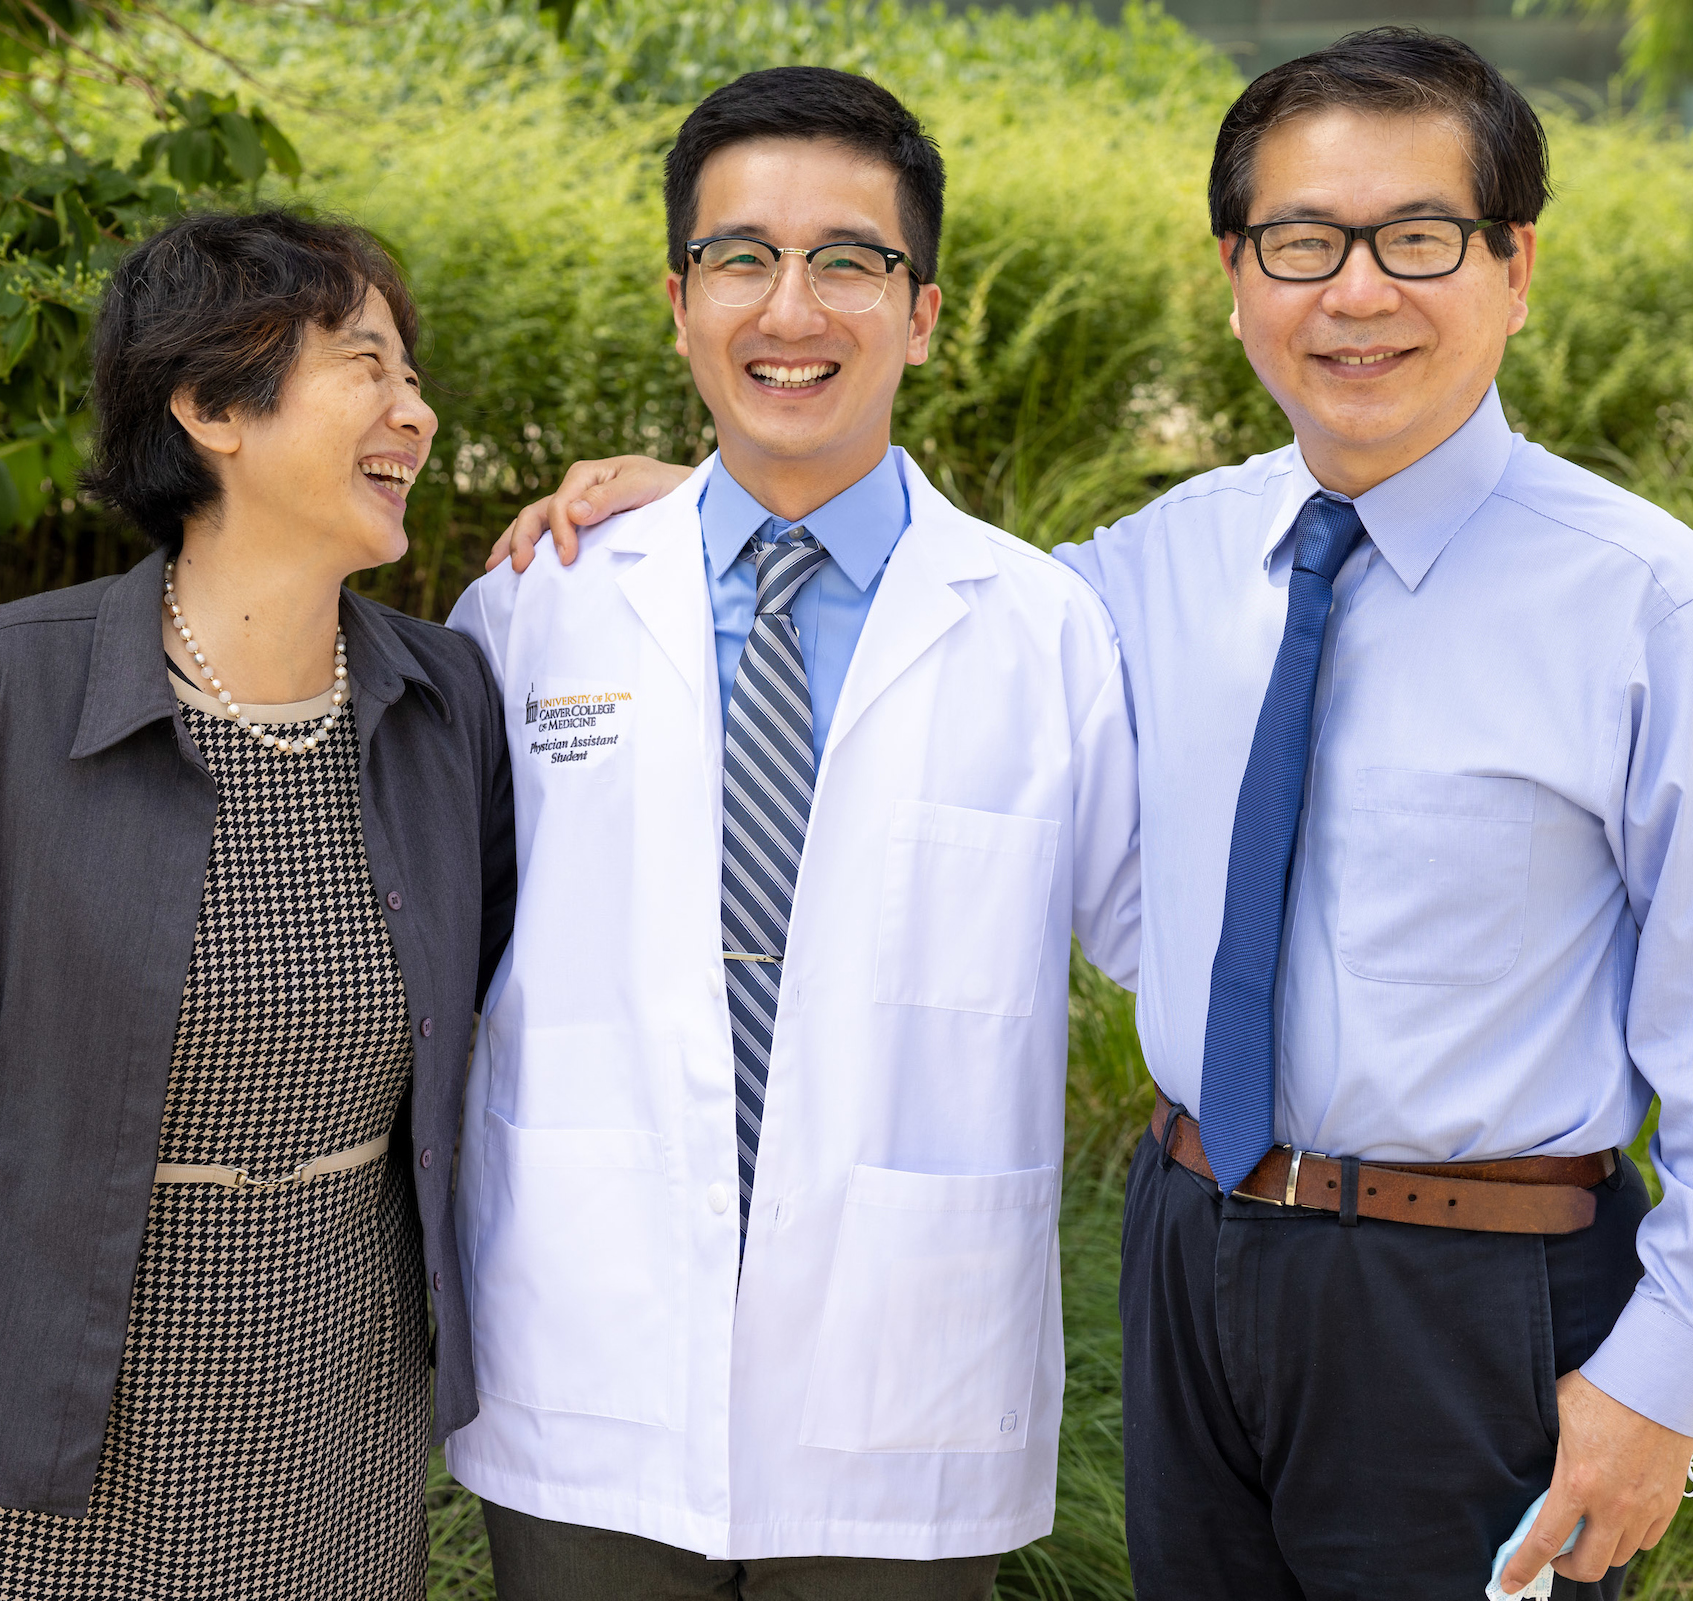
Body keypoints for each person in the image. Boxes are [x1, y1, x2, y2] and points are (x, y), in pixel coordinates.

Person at [489, 28, 1693, 1601]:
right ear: (1237, 274)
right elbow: (910, 588)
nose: (1356, 292)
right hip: (1197, 1256)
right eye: (1301, 242)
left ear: (1514, 264)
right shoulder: (1150, 569)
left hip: (1474, 1286)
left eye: (1417, 239)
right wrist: (717, 491)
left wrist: (1659, 1379)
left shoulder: (1645, 599)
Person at [444, 66, 1140, 1600]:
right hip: (589, 1352)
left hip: (902, 1381)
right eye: (743, 258)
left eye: (849, 261)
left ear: (928, 311)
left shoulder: (1045, 630)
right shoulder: (532, 607)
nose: (791, 308)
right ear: (679, 299)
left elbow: (1171, 948)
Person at [0, 208, 517, 1597]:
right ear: (207, 404)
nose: (415, 414)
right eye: (367, 364)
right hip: (53, 1376)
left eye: (414, 376)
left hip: (335, 1384)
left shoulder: (444, 704)